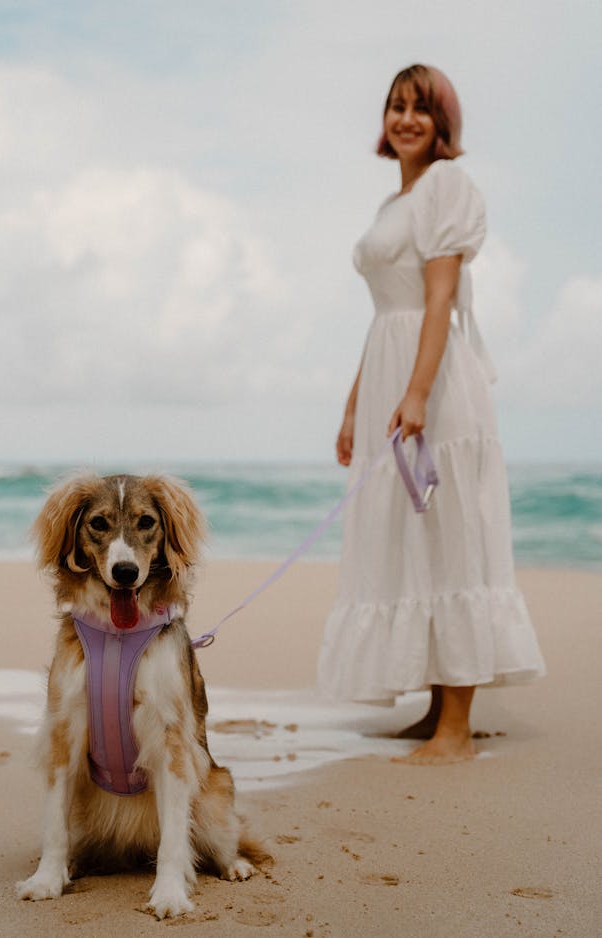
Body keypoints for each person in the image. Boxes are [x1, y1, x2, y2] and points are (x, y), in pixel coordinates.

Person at [316, 64, 545, 764]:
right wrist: (359, 404)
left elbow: (438, 301)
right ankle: (432, 706)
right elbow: (387, 313)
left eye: (421, 108)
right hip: (394, 364)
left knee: (452, 533)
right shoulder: (396, 203)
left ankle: (457, 729)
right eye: (395, 106)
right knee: (410, 538)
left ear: (444, 123)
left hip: (440, 380)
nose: (406, 119)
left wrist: (416, 393)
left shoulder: (447, 186)